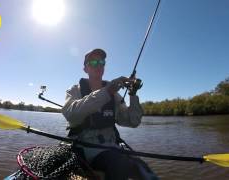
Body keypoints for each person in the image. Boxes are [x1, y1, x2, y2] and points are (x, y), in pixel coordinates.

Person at [62, 48, 158, 180]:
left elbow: (132, 121)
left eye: (101, 62)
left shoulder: (115, 95)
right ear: (85, 69)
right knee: (118, 163)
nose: (98, 65)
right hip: (85, 149)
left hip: (112, 147)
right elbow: (70, 114)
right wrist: (107, 91)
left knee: (144, 170)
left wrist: (133, 94)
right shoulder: (74, 90)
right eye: (93, 62)